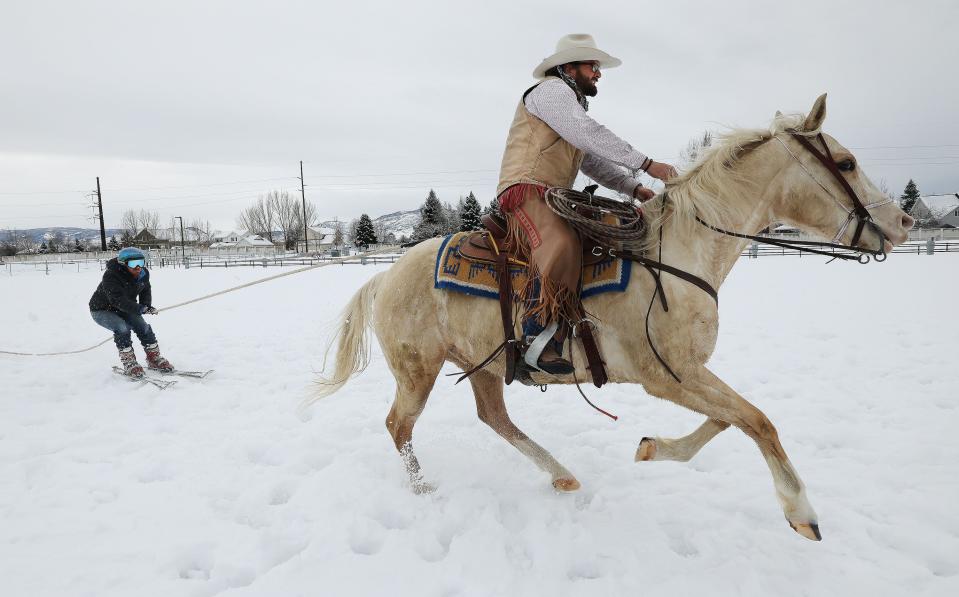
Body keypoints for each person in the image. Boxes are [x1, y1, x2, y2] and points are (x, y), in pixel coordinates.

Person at [496, 33, 678, 375]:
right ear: (569, 67)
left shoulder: (571, 104)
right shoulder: (550, 92)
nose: (598, 73)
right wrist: (646, 163)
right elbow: (588, 134)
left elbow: (589, 159)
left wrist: (633, 188)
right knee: (560, 243)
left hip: (554, 195)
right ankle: (534, 340)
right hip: (526, 190)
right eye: (592, 66)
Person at [89, 247, 174, 377]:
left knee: (143, 327)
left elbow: (145, 290)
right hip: (102, 309)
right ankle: (130, 363)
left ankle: (154, 359)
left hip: (127, 307)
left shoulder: (143, 273)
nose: (138, 267)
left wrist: (146, 305)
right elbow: (117, 300)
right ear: (124, 263)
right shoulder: (111, 276)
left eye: (141, 262)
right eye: (133, 264)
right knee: (122, 328)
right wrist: (139, 308)